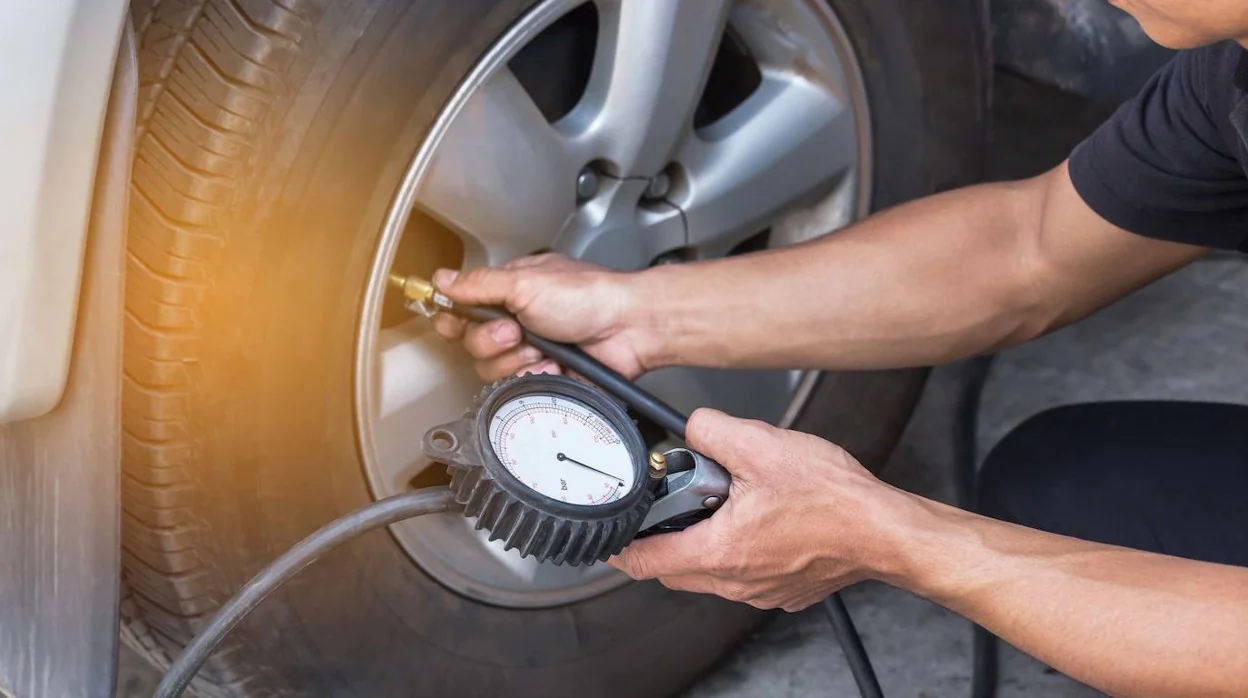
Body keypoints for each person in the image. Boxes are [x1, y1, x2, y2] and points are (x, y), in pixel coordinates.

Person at [430, 1, 1248, 695]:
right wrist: (633, 312)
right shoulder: (1231, 71)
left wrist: (901, 542)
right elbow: (1027, 248)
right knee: (1067, 488)